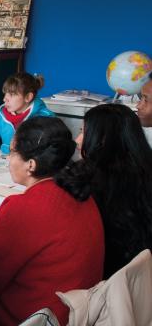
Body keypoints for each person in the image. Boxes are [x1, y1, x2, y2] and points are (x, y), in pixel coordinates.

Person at [0, 117, 104, 325]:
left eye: (12, 152)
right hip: (79, 313)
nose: (8, 159)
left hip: (37, 317)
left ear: (31, 164)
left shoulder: (24, 208)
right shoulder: (81, 193)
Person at [56, 103, 152, 278]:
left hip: (100, 279)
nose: (78, 141)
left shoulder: (88, 181)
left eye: (84, 132)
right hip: (139, 278)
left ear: (103, 140)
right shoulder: (144, 170)